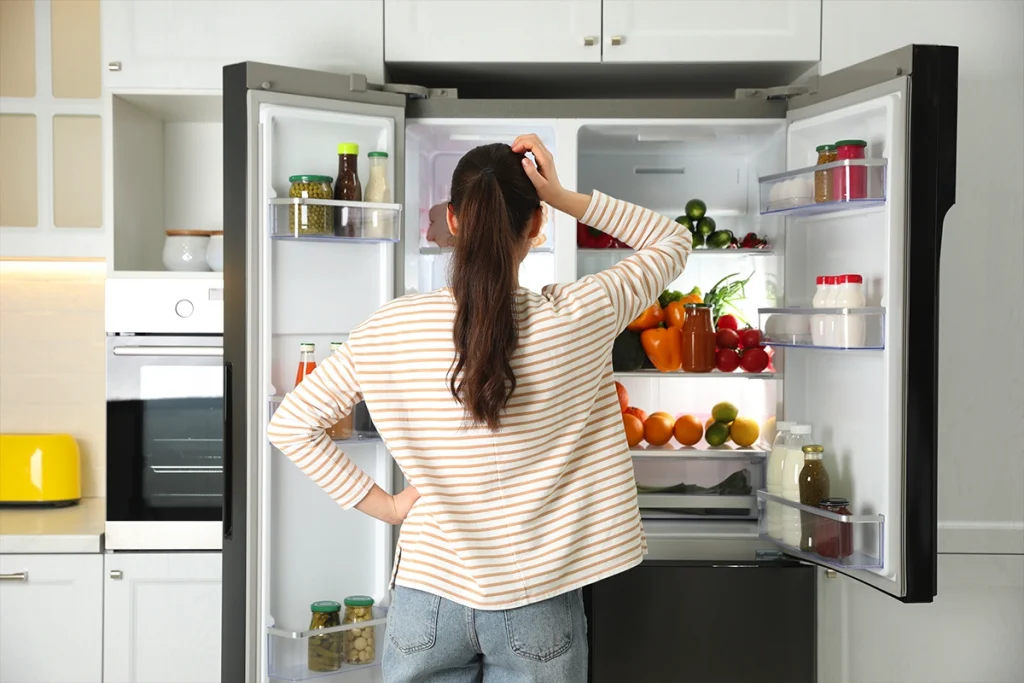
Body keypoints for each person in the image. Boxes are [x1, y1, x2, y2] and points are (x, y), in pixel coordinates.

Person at [267, 134, 692, 682]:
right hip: (538, 596)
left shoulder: (389, 327)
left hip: (428, 597)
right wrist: (561, 195)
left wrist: (391, 508)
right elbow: (672, 241)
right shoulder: (582, 314)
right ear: (536, 227)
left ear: (453, 219)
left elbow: (292, 426)